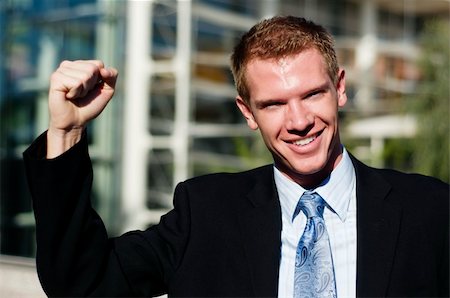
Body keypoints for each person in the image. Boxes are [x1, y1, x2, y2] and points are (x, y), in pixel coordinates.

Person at [23, 16, 448, 298]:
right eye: (274, 104)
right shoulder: (205, 212)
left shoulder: (430, 210)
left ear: (339, 88)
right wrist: (67, 130)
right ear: (247, 112)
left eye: (312, 94)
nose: (299, 120)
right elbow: (82, 283)